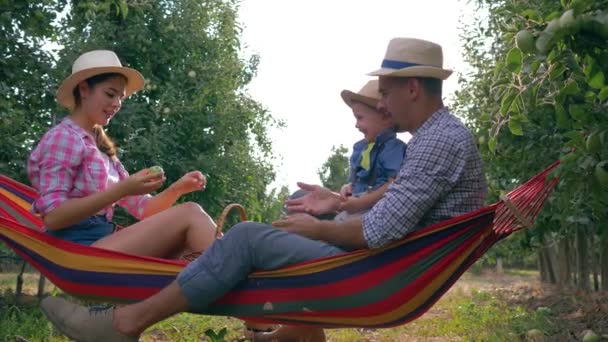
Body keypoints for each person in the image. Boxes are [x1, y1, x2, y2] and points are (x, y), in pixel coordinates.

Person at [40, 38, 487, 342]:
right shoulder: (437, 138)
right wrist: (337, 205)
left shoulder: (436, 142)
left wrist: (315, 227)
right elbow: (392, 213)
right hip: (389, 266)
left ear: (412, 87)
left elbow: (376, 232)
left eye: (386, 93)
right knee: (256, 240)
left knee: (249, 237)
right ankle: (295, 332)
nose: (382, 105)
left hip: (380, 270)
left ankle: (125, 322)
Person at [28, 50, 218, 259]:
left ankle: (244, 276)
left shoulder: (103, 150)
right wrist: (120, 190)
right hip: (78, 253)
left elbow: (144, 209)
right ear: (84, 89)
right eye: (110, 94)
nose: (117, 103)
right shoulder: (64, 138)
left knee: (188, 235)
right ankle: (247, 278)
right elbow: (53, 217)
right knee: (190, 213)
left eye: (121, 97)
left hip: (102, 241)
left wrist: (178, 188)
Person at [335, 79, 406, 221]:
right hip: (357, 204)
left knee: (336, 226)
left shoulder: (393, 148)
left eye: (360, 118)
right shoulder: (360, 148)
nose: (356, 125)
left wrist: (361, 202)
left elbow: (394, 183)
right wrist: (348, 187)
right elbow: (357, 181)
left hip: (377, 209)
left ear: (386, 118)